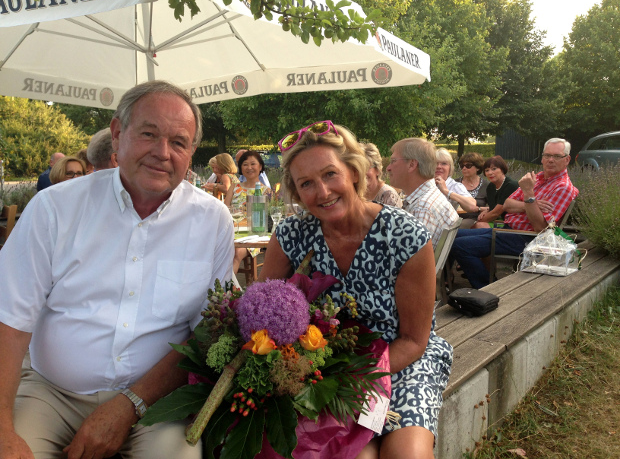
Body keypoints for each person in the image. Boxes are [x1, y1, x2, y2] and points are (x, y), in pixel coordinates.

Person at [0, 80, 234, 459]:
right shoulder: (54, 208)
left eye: (178, 142)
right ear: (117, 134)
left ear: (191, 153)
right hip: (51, 391)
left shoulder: (211, 220)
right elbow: (8, 321)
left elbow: (209, 330)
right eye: (148, 134)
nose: (162, 152)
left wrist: (130, 405)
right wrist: (3, 431)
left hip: (156, 403)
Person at [260, 122, 453, 459]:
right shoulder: (291, 235)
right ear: (296, 192)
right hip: (321, 369)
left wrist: (352, 377)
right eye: (306, 184)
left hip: (400, 361)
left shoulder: (404, 235)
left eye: (330, 174)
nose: (322, 192)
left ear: (352, 171)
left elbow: (413, 340)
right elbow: (264, 317)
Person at [450, 138, 579, 289]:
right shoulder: (536, 178)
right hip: (507, 230)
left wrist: (529, 194)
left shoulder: (563, 188)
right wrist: (531, 204)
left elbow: (540, 228)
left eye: (557, 156)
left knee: (459, 245)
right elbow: (507, 204)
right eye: (546, 155)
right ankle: (444, 280)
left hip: (527, 238)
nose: (550, 160)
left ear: (567, 159)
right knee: (451, 235)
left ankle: (488, 288)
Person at [387, 138, 459, 249]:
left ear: (412, 165)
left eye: (393, 161)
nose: (388, 168)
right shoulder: (429, 197)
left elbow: (412, 262)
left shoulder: (422, 208)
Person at [225, 150, 271, 273]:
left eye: (253, 164)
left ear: (260, 166)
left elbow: (267, 218)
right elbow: (225, 210)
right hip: (232, 232)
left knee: (235, 254)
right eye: (245, 164)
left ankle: (226, 290)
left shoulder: (266, 191)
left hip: (253, 235)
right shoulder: (234, 187)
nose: (249, 168)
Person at [473, 155, 519, 229]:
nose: (490, 173)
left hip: (511, 223)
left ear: (502, 170)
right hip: (498, 220)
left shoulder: (511, 185)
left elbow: (496, 213)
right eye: (487, 170)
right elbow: (493, 208)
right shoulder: (491, 187)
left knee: (478, 226)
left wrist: (479, 221)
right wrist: (487, 210)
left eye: (494, 169)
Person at [434, 148, 477, 213]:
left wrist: (447, 191)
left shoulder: (454, 186)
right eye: (435, 163)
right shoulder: (422, 183)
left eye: (444, 163)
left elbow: (472, 206)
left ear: (450, 168)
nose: (439, 166)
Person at [362, 142, 402, 208]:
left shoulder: (389, 196)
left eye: (366, 167)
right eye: (359, 168)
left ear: (377, 170)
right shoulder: (356, 194)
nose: (362, 172)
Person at [455, 152, 489, 228]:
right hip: (455, 217)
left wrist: (484, 210)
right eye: (462, 166)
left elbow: (494, 207)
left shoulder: (486, 185)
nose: (464, 168)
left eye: (468, 166)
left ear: (478, 167)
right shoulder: (454, 183)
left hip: (475, 219)